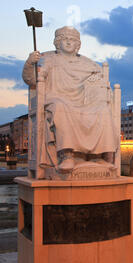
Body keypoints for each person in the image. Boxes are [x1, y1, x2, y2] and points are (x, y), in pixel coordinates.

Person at [22, 26, 118, 172]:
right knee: (62, 108)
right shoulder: (48, 59)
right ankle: (66, 155)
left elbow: (101, 79)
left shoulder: (88, 64)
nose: (68, 43)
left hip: (84, 102)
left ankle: (98, 156)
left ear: (77, 45)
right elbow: (32, 80)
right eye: (64, 40)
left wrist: (98, 80)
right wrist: (30, 63)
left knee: (103, 110)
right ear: (57, 43)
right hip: (57, 98)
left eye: (72, 40)